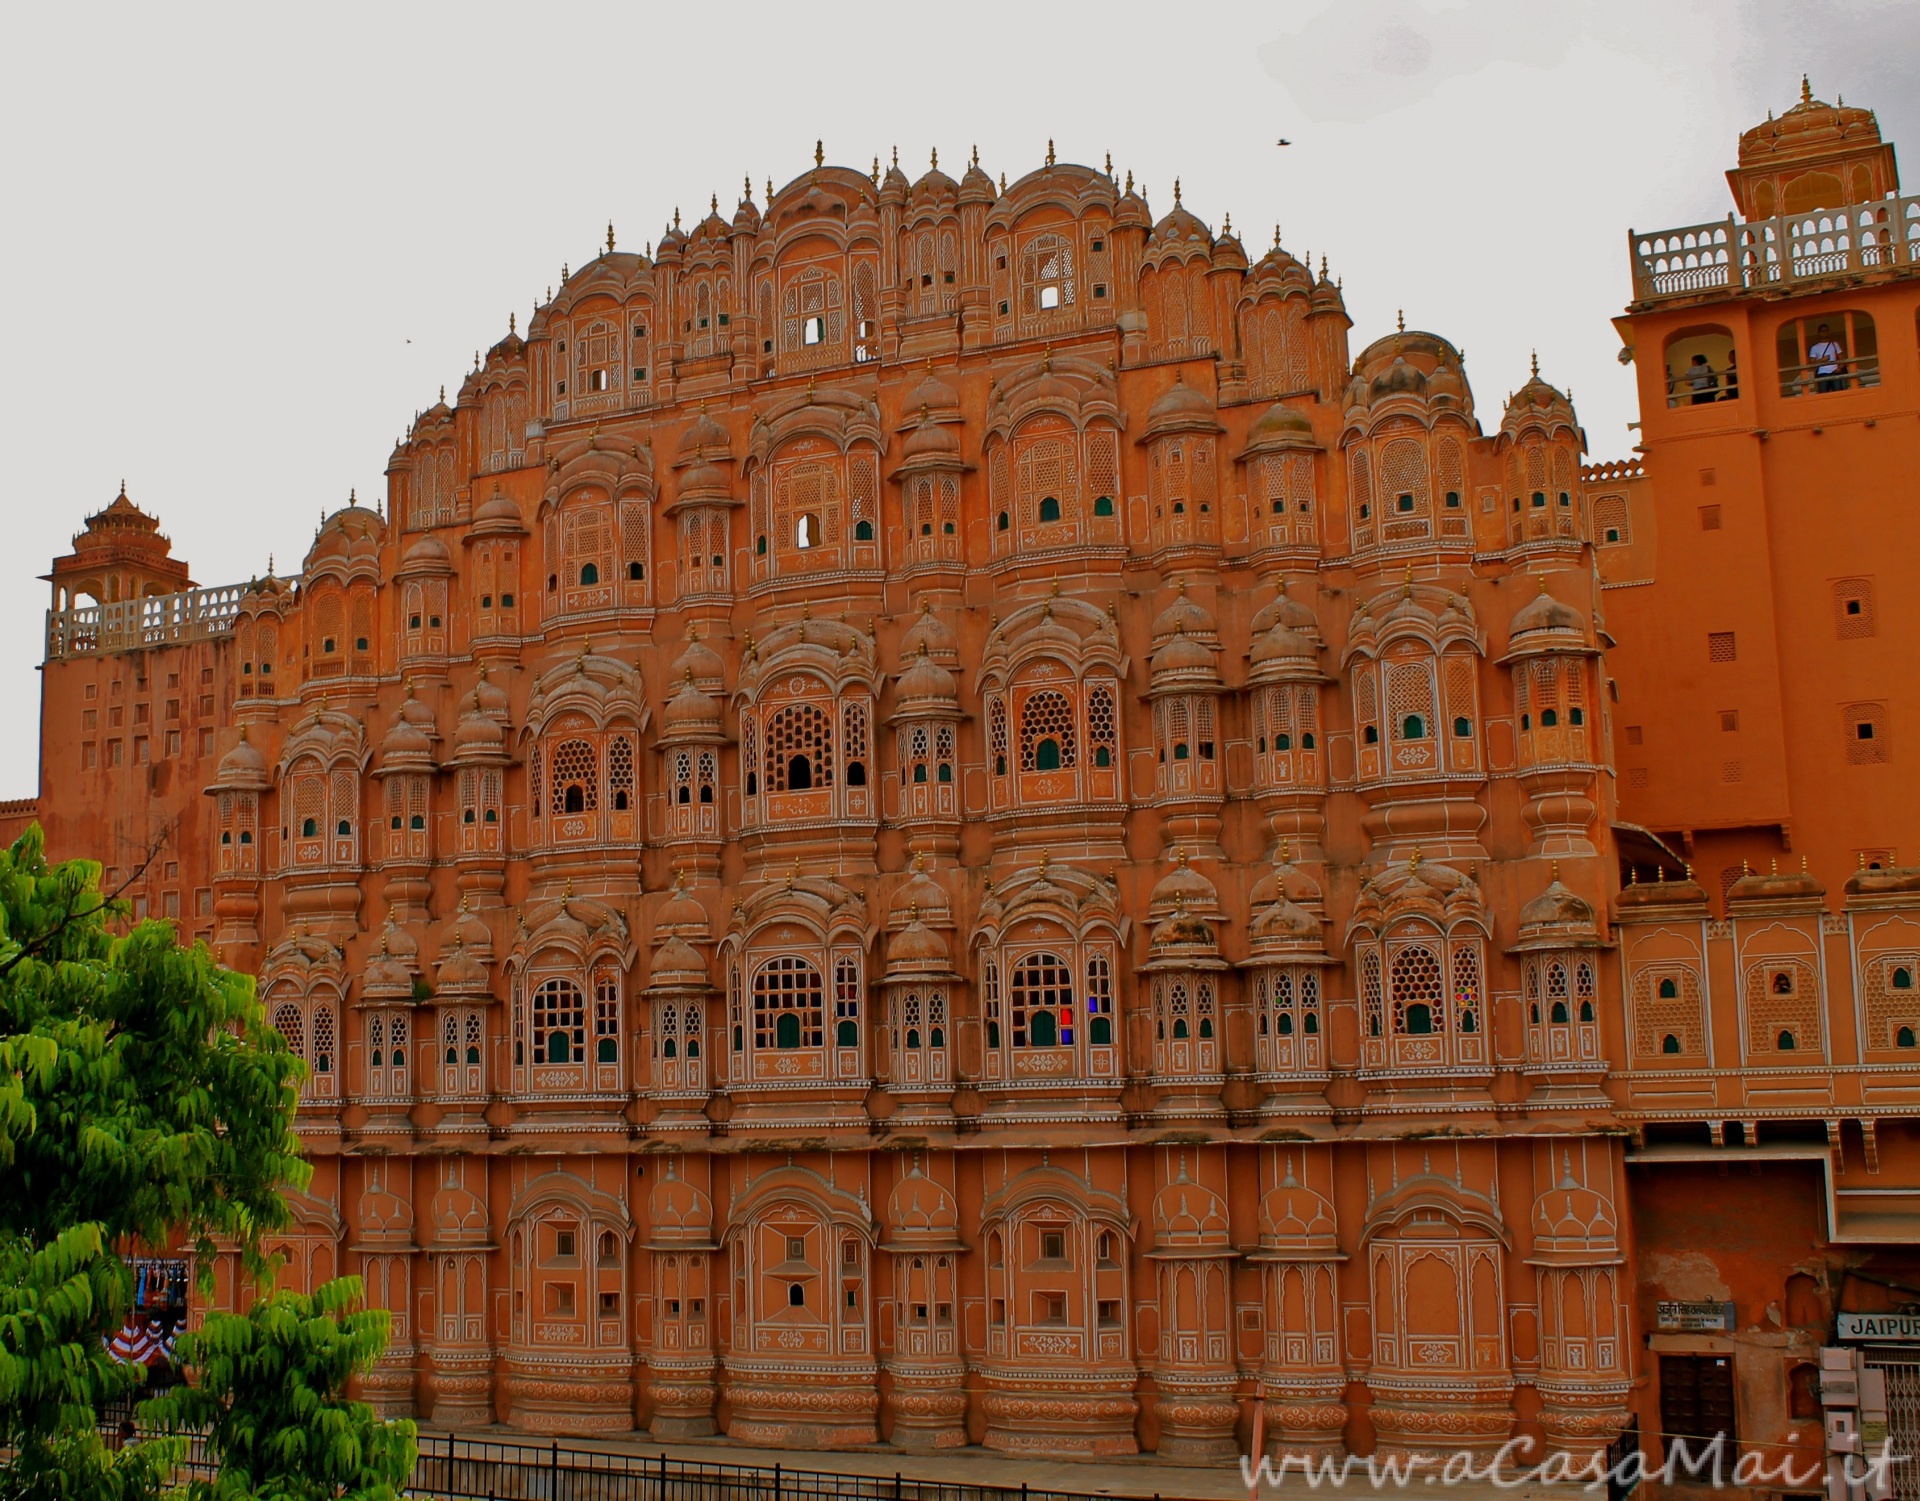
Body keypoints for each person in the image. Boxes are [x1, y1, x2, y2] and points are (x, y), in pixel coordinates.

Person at [1809, 322, 1847, 391]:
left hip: (1835, 372)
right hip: (1822, 373)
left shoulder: (1835, 344)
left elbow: (1841, 358)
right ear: (1819, 333)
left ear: (1828, 332)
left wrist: (1839, 368)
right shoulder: (1814, 347)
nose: (1824, 333)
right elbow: (1812, 362)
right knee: (1823, 394)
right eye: (1822, 331)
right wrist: (1822, 360)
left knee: (1837, 393)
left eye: (1826, 330)